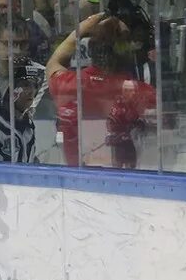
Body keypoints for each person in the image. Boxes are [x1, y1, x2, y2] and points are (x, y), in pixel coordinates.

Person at [46, 13, 156, 168]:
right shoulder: (143, 94)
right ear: (128, 52)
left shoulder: (67, 84)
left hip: (76, 184)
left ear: (91, 48)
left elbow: (53, 63)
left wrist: (82, 28)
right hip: (127, 184)